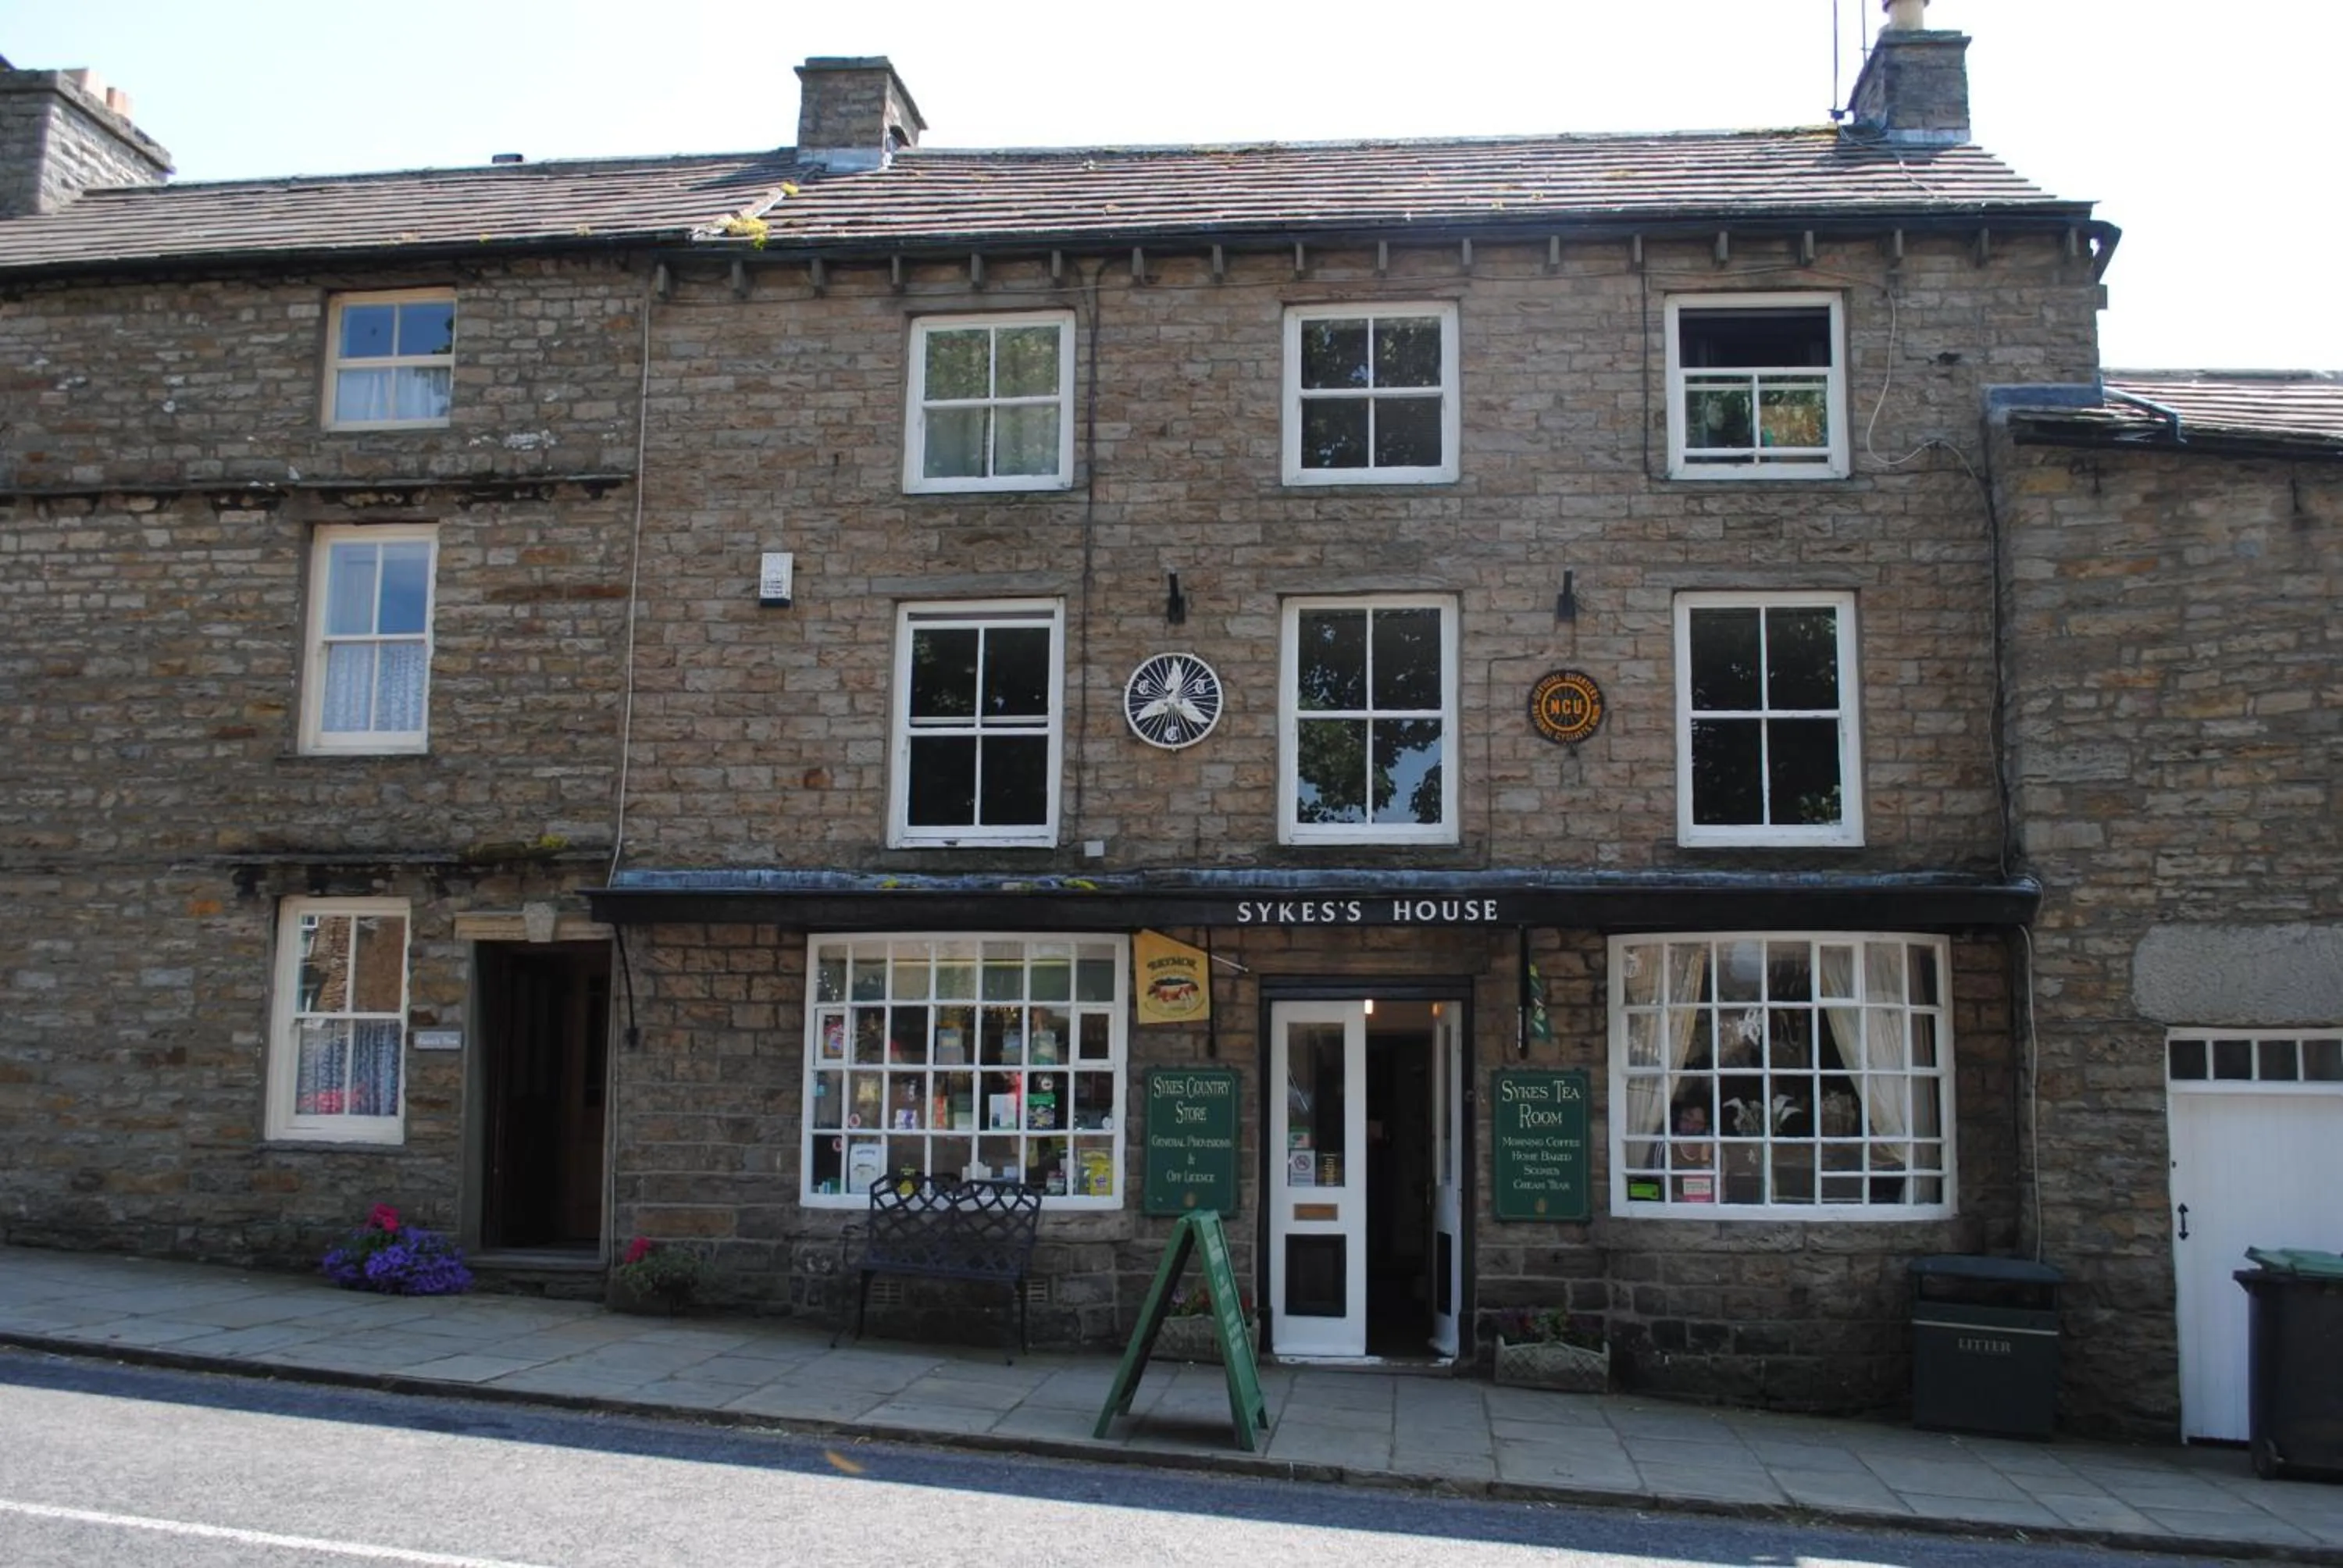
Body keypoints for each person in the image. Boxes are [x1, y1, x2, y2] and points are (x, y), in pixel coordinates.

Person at [1671, 1099, 1715, 1203]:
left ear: (1706, 1126)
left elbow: (1720, 1193)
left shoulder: (1714, 1148)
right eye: (1686, 1120)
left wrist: (1705, 1158)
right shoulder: (1666, 1147)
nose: (1690, 1127)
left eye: (1698, 1123)